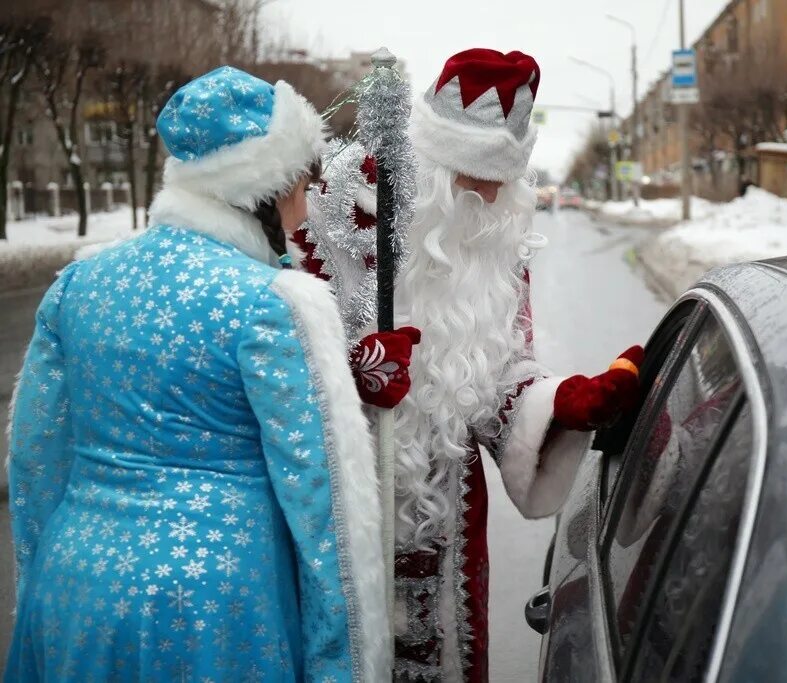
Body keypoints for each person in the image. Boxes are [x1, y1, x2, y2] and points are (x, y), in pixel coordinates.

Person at [5, 66, 389, 682]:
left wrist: (40, 584)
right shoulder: (275, 303)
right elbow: (326, 507)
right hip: (216, 608)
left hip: (75, 588)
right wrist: (339, 664)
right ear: (269, 188)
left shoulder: (77, 285)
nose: (305, 209)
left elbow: (34, 459)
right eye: (302, 187)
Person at [295, 49, 644, 682]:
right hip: (338, 501)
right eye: (472, 177)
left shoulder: (497, 243)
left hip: (443, 509)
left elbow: (495, 375)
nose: (487, 197)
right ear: (431, 163)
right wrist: (352, 370)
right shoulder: (337, 215)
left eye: (500, 181)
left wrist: (560, 403)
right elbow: (270, 347)